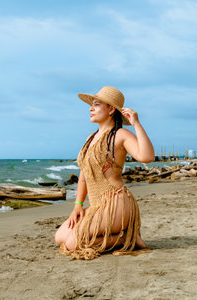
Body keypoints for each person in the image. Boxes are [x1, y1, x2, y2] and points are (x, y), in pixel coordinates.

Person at [55, 86, 155, 260]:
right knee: (60, 237)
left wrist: (136, 124)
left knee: (72, 243)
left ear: (110, 109)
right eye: (91, 105)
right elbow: (84, 175)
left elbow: (146, 157)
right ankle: (122, 237)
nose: (90, 108)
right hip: (96, 206)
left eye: (96, 104)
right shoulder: (90, 138)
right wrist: (78, 204)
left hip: (117, 203)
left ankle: (126, 237)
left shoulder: (121, 134)